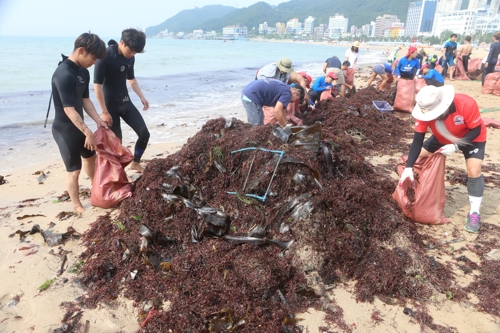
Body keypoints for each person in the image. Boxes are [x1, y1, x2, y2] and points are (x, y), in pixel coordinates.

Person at [399, 85, 487, 233]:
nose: (432, 118)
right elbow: (417, 141)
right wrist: (408, 167)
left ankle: (474, 213)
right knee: (411, 158)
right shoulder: (423, 111)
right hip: (442, 136)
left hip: (471, 138)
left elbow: (476, 129)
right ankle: (419, 186)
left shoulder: (466, 103)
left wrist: (456, 146)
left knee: (474, 170)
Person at [51, 32, 108, 213]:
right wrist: (88, 132)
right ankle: (77, 205)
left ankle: (96, 188)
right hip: (64, 130)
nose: (94, 63)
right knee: (74, 171)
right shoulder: (63, 73)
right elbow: (68, 109)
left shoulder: (83, 72)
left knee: (91, 159)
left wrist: (99, 121)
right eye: (93, 58)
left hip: (79, 127)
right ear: (81, 51)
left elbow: (85, 100)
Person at [94, 28, 150, 173]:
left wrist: (142, 97)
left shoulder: (131, 57)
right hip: (109, 106)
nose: (132, 54)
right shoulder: (104, 56)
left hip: (125, 101)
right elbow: (97, 86)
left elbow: (131, 79)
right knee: (117, 143)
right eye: (131, 50)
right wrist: (103, 112)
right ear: (122, 42)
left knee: (144, 133)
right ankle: (117, 174)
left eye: (135, 52)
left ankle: (136, 163)